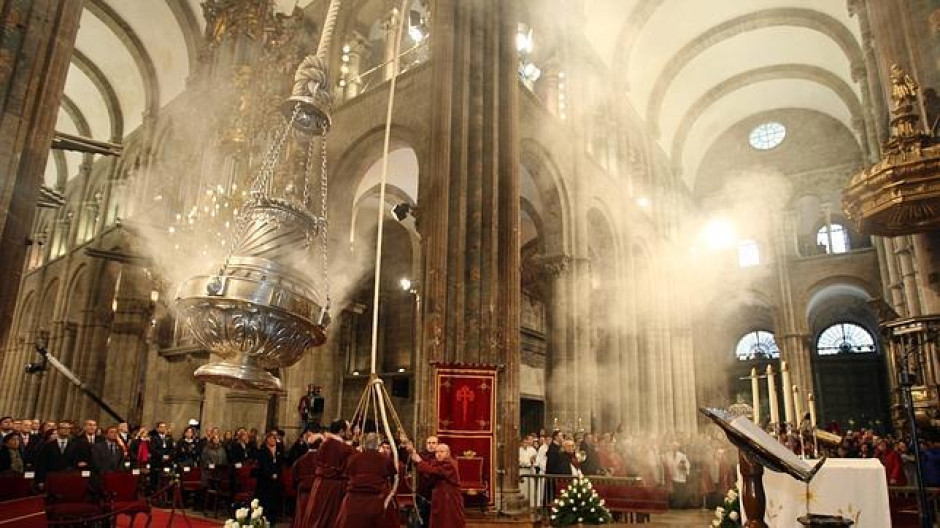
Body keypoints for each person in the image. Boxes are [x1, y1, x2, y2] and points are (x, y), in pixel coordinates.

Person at [300, 419, 356, 527]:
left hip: (320, 486)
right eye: (348, 430)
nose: (351, 433)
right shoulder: (341, 447)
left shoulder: (325, 443)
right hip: (334, 488)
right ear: (341, 431)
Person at [335, 432, 397, 528]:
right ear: (378, 445)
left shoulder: (354, 458)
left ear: (364, 444)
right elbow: (393, 476)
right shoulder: (385, 460)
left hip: (355, 502)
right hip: (377, 502)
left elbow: (348, 474)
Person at [409, 440, 465, 527]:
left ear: (448, 453)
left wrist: (420, 461)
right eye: (437, 452)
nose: (438, 454)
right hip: (440, 497)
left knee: (449, 521)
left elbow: (433, 471)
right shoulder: (438, 462)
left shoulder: (449, 463)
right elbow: (428, 466)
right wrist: (414, 455)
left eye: (442, 452)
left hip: (449, 498)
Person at [291, 431, 322, 528]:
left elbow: (294, 478)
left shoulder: (299, 461)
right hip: (317, 494)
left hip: (303, 494)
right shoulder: (322, 461)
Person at [256, 432, 284, 524]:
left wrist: (277, 474)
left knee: (274, 499)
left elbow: (280, 464)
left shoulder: (279, 450)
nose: (274, 440)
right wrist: (270, 474)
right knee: (265, 500)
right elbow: (262, 465)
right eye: (272, 438)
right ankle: (263, 518)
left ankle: (272, 519)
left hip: (276, 479)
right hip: (265, 479)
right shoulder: (262, 450)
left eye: (275, 438)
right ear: (267, 439)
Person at [414, 434, 438, 525]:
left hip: (435, 491)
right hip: (422, 490)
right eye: (429, 443)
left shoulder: (439, 456)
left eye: (433, 443)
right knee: (422, 517)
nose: (431, 445)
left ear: (437, 444)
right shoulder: (421, 455)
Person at [665, 442, 691, 508]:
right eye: (673, 446)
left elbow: (688, 465)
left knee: (680, 492)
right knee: (674, 492)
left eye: (676, 447)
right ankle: (674, 506)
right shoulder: (667, 455)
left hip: (680, 476)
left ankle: (680, 505)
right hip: (672, 476)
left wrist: (684, 467)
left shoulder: (682, 455)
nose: (674, 448)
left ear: (678, 448)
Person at [518, 435, 538, 507]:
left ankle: (531, 505)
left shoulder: (532, 450)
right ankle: (522, 504)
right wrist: (528, 461)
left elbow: (535, 460)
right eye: (524, 442)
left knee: (531, 489)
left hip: (530, 470)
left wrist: (532, 460)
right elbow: (520, 461)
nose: (525, 444)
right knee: (523, 488)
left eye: (526, 442)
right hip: (522, 471)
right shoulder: (519, 450)